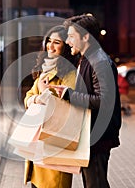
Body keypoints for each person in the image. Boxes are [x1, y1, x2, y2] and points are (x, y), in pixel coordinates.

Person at [50, 14, 122, 188]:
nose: (67, 41)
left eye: (71, 36)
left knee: (95, 183)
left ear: (86, 37)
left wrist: (69, 94)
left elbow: (104, 101)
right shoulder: (88, 58)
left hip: (98, 136)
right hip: (93, 134)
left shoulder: (99, 61)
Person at [23, 25, 80, 188]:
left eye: (57, 42)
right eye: (49, 41)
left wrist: (43, 94)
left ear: (65, 47)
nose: (51, 46)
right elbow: (28, 97)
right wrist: (36, 99)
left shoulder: (70, 74)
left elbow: (67, 107)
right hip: (39, 143)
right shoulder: (46, 70)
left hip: (56, 143)